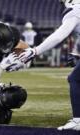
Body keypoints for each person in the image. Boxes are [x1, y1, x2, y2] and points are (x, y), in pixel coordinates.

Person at [17, 0, 80, 131]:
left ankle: (78, 120)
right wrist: (76, 52)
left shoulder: (74, 11)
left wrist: (35, 51)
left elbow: (59, 36)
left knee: (74, 78)